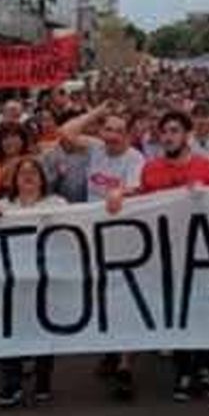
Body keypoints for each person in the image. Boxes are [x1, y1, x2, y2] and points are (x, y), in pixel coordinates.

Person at [139, 111, 209, 402]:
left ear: (187, 135)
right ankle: (183, 369)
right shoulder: (151, 169)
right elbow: (142, 207)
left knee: (203, 308)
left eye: (175, 131)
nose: (168, 137)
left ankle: (204, 367)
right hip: (167, 252)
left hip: (201, 251)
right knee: (177, 310)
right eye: (164, 132)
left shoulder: (207, 168)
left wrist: (207, 198)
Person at [58, 103, 141, 399]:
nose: (113, 136)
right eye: (108, 129)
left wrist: (122, 192)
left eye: (119, 131)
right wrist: (96, 112)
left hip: (124, 237)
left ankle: (125, 365)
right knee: (100, 296)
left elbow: (139, 188)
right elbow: (66, 132)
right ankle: (110, 350)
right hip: (92, 234)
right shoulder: (95, 149)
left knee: (124, 297)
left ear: (128, 136)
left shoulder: (134, 159)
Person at [0, 157, 66, 408]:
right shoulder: (3, 205)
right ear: (14, 180)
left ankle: (43, 381)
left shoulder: (57, 204)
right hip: (13, 279)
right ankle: (13, 383)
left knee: (45, 328)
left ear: (43, 178)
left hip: (46, 277)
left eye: (34, 172)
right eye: (23, 173)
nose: (29, 176)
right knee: (12, 329)